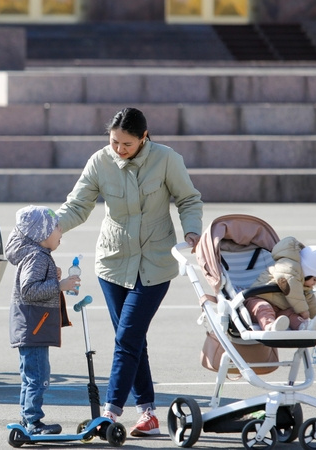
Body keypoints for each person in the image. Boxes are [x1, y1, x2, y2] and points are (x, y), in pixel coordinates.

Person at [55, 107, 203, 437]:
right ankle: (148, 414)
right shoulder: (100, 161)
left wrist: (192, 230)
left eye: (127, 144)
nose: (119, 149)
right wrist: (51, 227)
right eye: (114, 142)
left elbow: (189, 199)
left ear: (144, 138)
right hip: (112, 263)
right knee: (132, 340)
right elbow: (77, 205)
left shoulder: (167, 159)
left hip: (155, 264)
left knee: (127, 338)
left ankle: (109, 412)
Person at [5, 205, 78, 436]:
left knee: (31, 376)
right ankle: (33, 422)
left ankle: (27, 418)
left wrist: (51, 276)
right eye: (56, 226)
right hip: (33, 327)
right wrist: (59, 285)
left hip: (32, 326)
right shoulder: (36, 256)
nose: (60, 230)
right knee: (38, 377)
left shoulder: (37, 254)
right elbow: (29, 290)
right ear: (41, 233)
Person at [244, 238, 316, 332]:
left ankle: (303, 326)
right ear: (307, 271)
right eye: (314, 279)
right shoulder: (287, 267)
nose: (314, 283)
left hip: (280, 309)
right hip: (257, 300)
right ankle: (270, 326)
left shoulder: (304, 285)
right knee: (264, 308)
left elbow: (311, 301)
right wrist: (303, 311)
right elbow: (292, 289)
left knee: (291, 313)